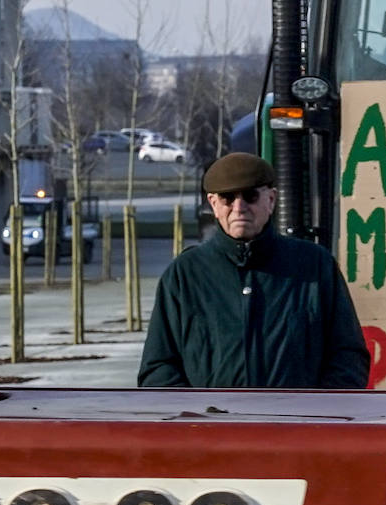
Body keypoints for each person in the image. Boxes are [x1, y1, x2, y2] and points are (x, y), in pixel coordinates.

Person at [139, 153, 370, 388]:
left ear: (271, 200)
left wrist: (316, 415)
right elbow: (158, 369)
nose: (239, 208)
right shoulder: (185, 275)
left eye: (250, 196)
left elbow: (348, 356)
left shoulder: (314, 267)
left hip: (298, 422)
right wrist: (197, 418)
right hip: (213, 422)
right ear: (214, 204)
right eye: (228, 198)